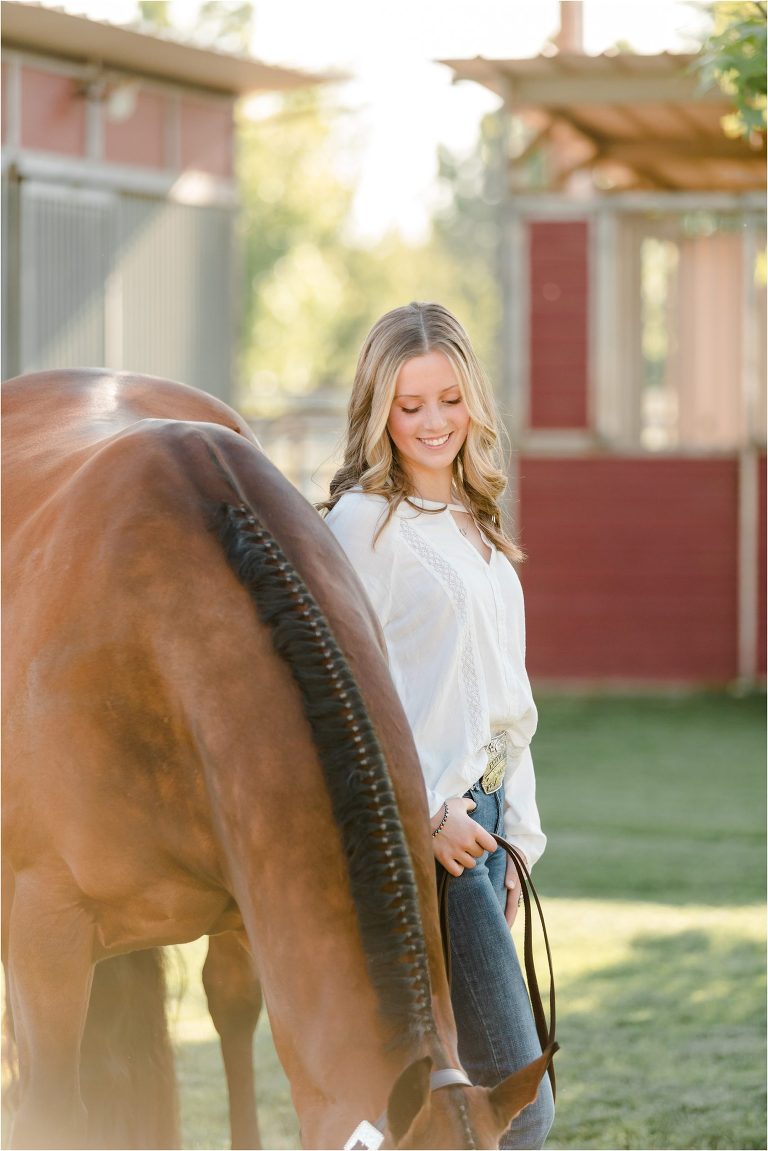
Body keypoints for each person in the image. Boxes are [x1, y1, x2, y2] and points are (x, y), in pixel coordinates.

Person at [319, 301, 554, 1150]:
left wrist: (519, 837)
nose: (432, 422)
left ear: (473, 400)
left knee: (425, 1106)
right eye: (409, 404)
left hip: (487, 837)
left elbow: (508, 707)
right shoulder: (363, 528)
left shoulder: (477, 526)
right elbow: (342, 695)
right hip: (431, 842)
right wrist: (422, 813)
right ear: (379, 410)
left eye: (448, 399)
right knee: (517, 1109)